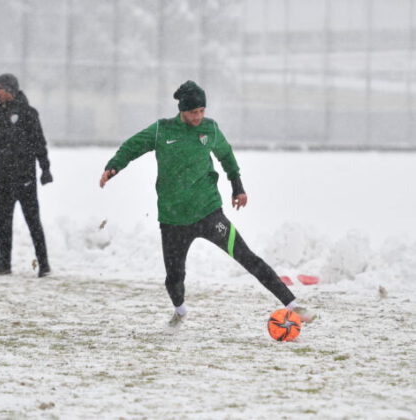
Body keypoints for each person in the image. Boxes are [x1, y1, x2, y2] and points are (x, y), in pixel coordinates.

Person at [99, 80, 315, 327]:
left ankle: (292, 303)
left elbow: (226, 155)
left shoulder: (210, 130)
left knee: (247, 257)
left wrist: (238, 186)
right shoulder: (162, 130)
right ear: (182, 110)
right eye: (194, 112)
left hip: (209, 213)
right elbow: (132, 147)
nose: (199, 116)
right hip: (173, 220)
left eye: (202, 111)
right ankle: (180, 310)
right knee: (174, 279)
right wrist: (113, 167)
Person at [0, 73, 53, 277]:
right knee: (3, 222)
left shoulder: (28, 113)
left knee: (33, 221)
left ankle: (44, 265)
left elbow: (39, 142)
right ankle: (4, 264)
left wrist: (45, 169)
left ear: (10, 91)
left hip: (25, 178)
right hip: (3, 179)